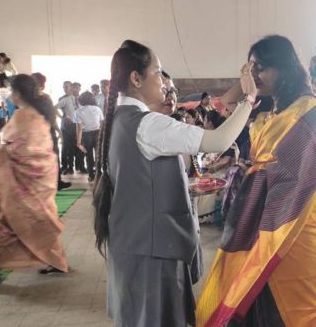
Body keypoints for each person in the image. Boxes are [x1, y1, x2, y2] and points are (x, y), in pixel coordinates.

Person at [93, 39, 256, 327]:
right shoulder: (147, 124)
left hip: (133, 242)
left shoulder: (120, 118)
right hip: (153, 248)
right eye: (158, 72)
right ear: (136, 78)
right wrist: (249, 99)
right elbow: (218, 140)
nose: (163, 81)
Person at [197, 35, 316, 327]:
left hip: (305, 217)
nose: (254, 75)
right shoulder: (269, 111)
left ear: (285, 68)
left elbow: (300, 174)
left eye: (262, 67)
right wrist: (247, 84)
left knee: (304, 306)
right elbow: (220, 109)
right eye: (250, 68)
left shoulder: (309, 111)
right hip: (267, 215)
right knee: (259, 295)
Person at [0, 74, 68, 285]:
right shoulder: (39, 115)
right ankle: (55, 260)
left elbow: (19, 151)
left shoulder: (23, 117)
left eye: (11, 91)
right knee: (42, 219)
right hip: (38, 180)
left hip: (18, 182)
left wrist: (0, 159)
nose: (9, 96)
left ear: (18, 93)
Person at [32, 72, 71, 191]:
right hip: (42, 132)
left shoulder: (29, 98)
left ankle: (47, 183)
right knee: (50, 157)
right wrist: (58, 130)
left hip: (37, 132)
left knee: (43, 158)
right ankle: (53, 183)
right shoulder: (42, 98)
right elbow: (51, 116)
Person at [74, 91, 103, 182]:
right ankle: (99, 173)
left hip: (86, 135)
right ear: (92, 99)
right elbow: (102, 123)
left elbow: (79, 128)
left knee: (89, 155)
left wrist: (78, 142)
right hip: (98, 133)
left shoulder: (78, 111)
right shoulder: (97, 109)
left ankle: (91, 175)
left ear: (81, 100)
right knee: (99, 155)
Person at [56, 81, 78, 174]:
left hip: (77, 125)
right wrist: (63, 118)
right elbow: (55, 108)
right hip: (67, 125)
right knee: (65, 146)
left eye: (67, 87)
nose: (65, 89)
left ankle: (77, 165)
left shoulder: (79, 98)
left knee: (76, 145)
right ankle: (66, 166)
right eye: (64, 87)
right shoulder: (63, 98)